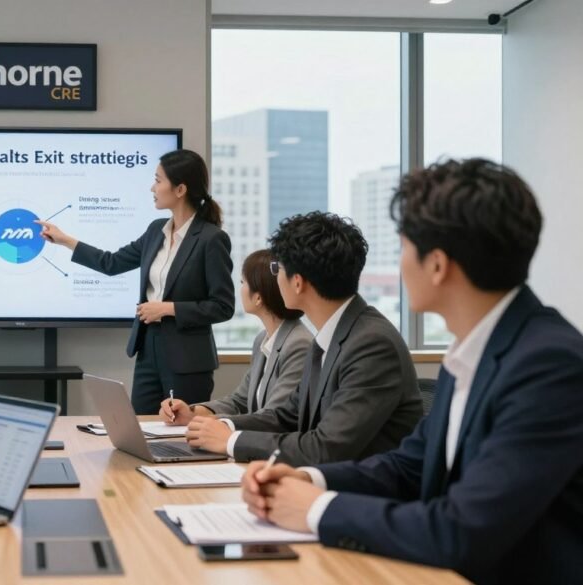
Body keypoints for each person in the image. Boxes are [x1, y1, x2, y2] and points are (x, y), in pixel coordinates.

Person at [242, 159, 583, 584]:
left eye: (403, 247)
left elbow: (462, 530)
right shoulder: (476, 349)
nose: (400, 264)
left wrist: (314, 508)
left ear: (437, 265)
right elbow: (408, 466)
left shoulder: (548, 364)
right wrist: (308, 477)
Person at [185, 211, 422, 465]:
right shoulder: (331, 335)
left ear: (297, 282)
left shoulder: (372, 344)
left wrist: (231, 441)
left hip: (364, 494)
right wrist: (221, 425)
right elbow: (287, 416)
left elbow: (326, 448)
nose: (275, 277)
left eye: (277, 268)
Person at [37, 149, 234, 413]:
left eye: (158, 180)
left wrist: (167, 308)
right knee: (138, 428)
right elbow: (112, 263)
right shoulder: (156, 231)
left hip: (187, 358)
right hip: (148, 348)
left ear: (180, 189)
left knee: (179, 434)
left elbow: (222, 306)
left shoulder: (211, 239)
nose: (152, 187)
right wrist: (65, 240)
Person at [159, 248, 312, 425]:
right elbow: (239, 400)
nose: (240, 289)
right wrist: (192, 413)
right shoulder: (263, 339)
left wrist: (215, 424)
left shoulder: (298, 344)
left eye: (242, 282)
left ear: (258, 298)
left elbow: (275, 416)